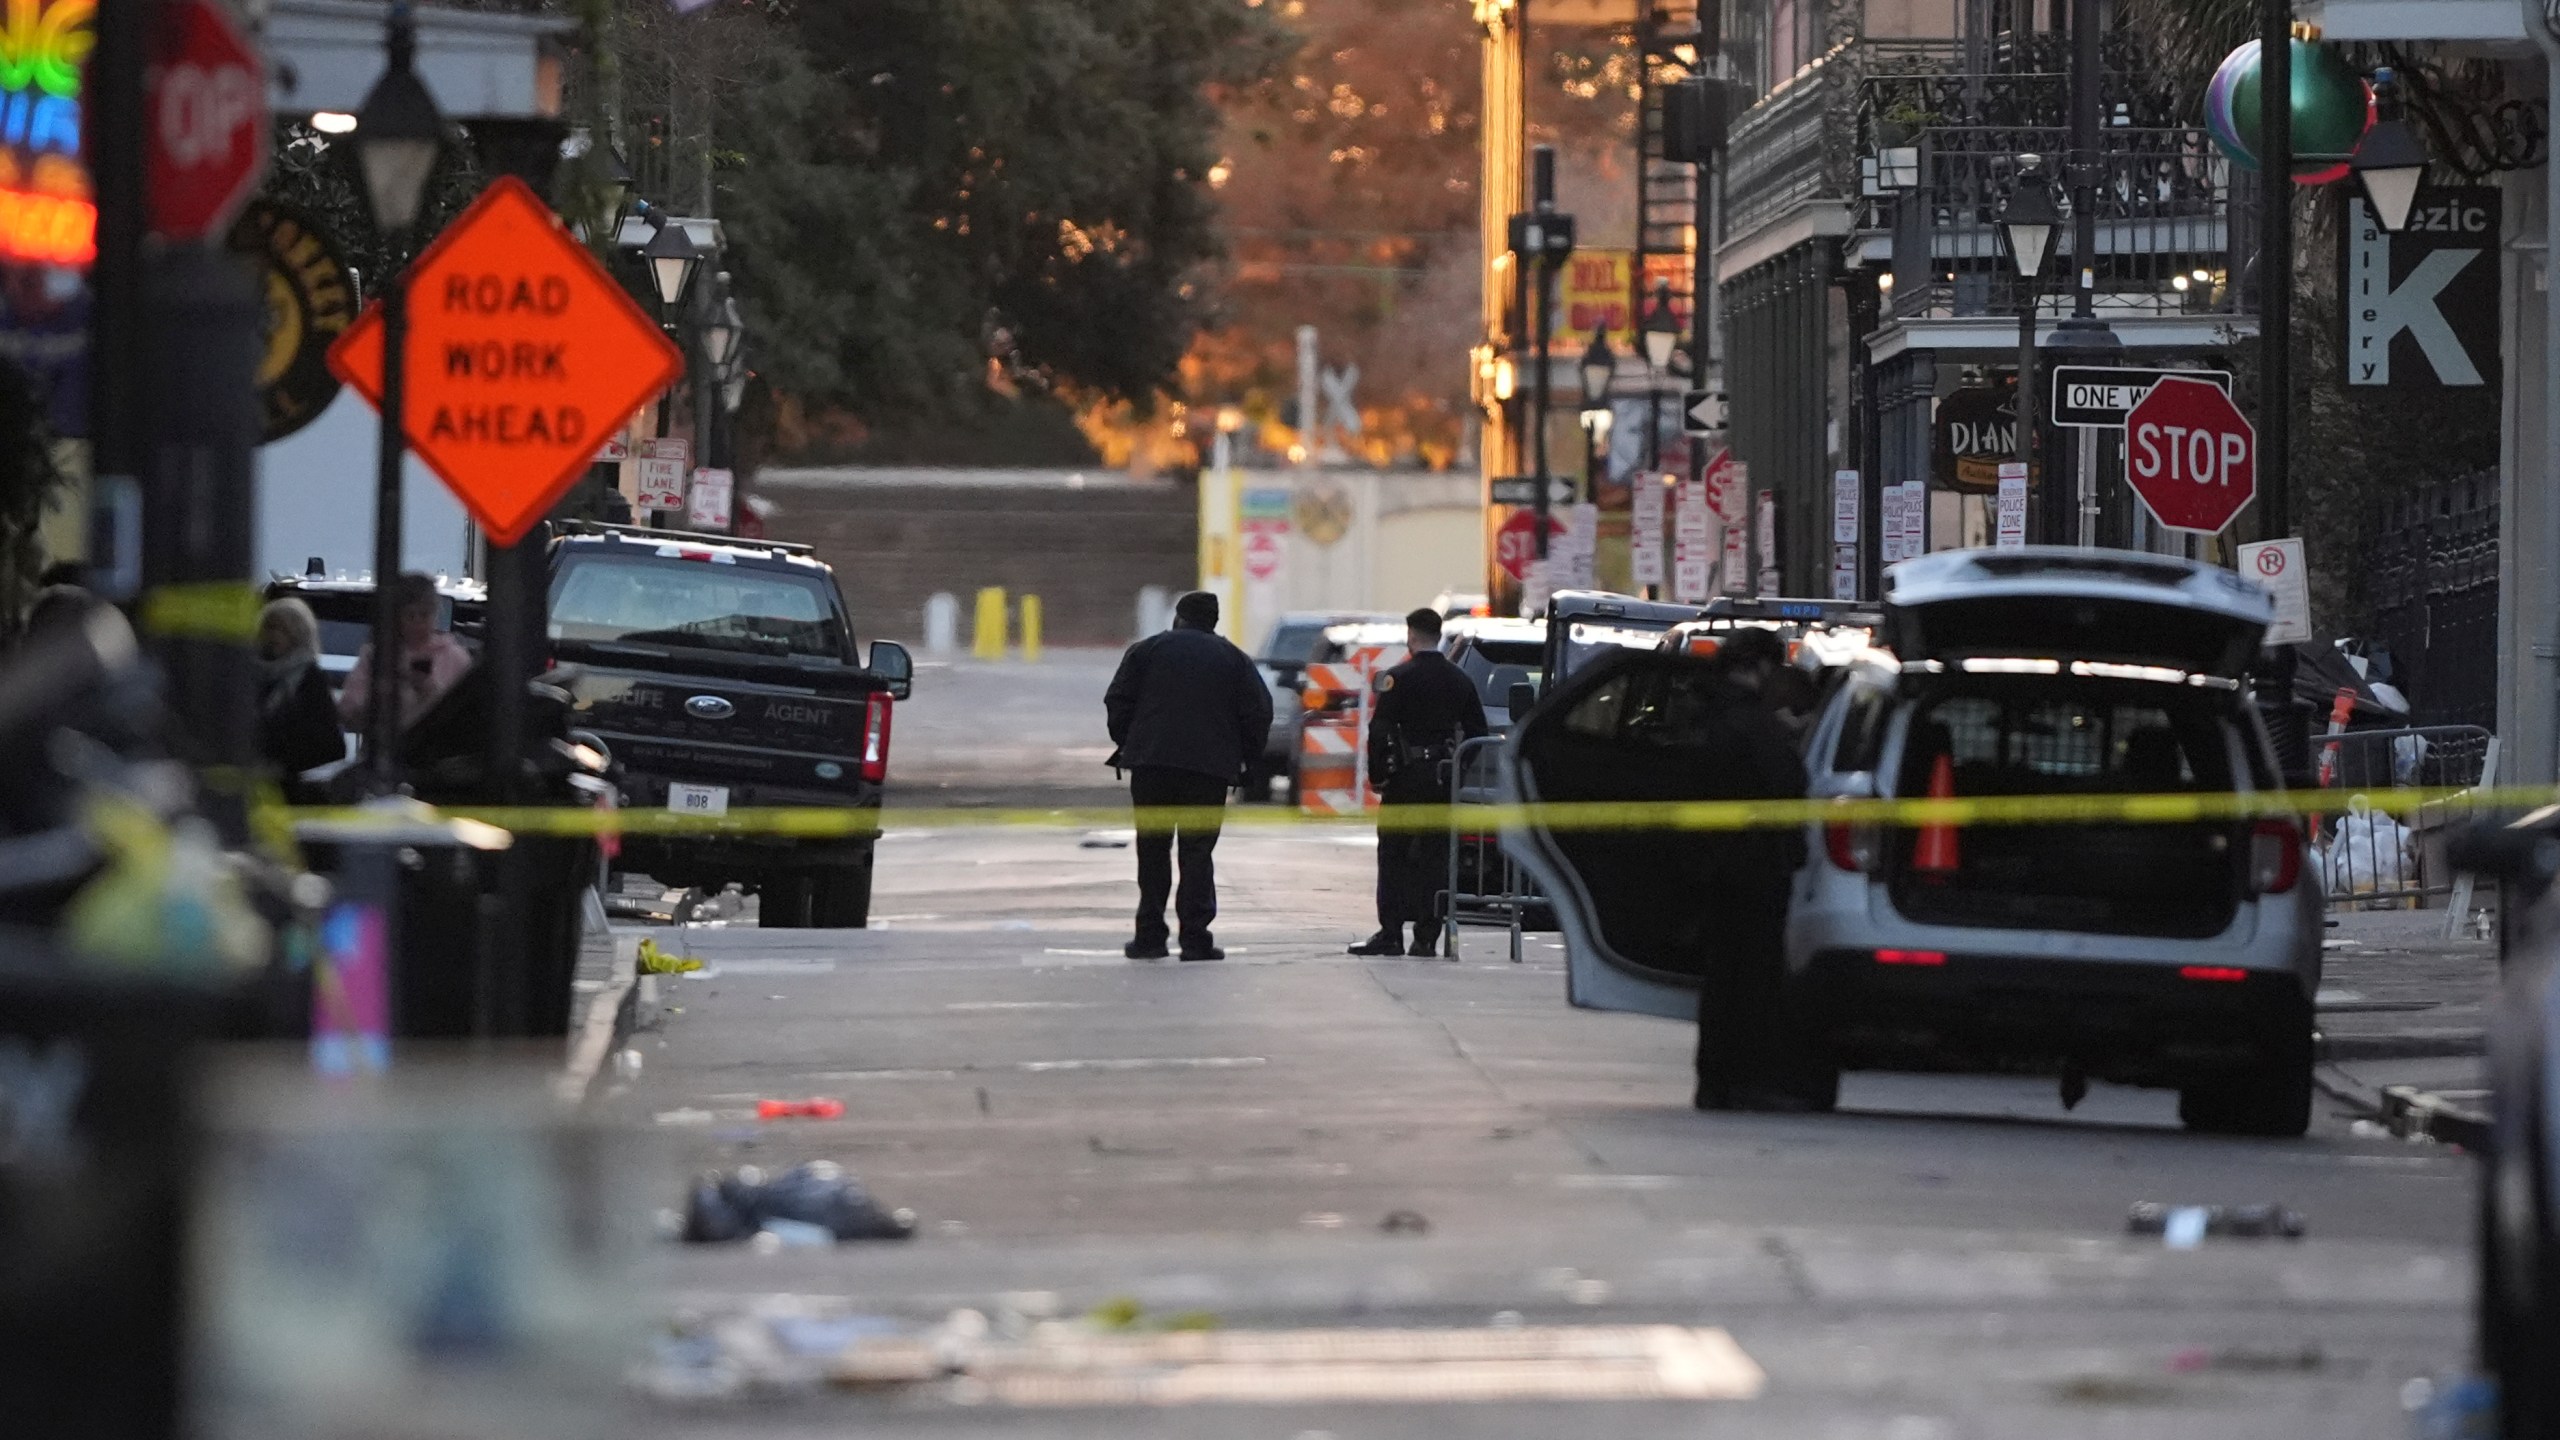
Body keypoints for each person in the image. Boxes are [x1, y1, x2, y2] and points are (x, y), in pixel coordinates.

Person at [1682, 626, 1816, 1111]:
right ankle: (1742, 1079)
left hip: (1713, 865)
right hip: (1753, 867)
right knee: (1753, 977)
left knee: (1722, 979)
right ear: (1761, 667)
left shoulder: (1703, 714)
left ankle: (1715, 1080)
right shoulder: (1752, 723)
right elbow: (1789, 781)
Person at [1103, 590, 1273, 961]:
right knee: (1197, 853)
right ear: (1213, 622)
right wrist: (1244, 758)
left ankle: (1149, 937)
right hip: (1207, 772)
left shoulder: (1146, 651)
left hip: (1152, 767)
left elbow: (1117, 700)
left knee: (1152, 850)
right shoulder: (1233, 659)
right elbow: (1258, 712)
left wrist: (1132, 742)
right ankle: (1195, 939)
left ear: (1178, 617)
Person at [1349, 608, 1487, 957]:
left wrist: (1379, 775)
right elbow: (1478, 734)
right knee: (1434, 857)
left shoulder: (1397, 677)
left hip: (1405, 779)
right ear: (1438, 635)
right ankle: (1426, 937)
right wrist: (1458, 768)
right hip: (1441, 779)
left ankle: (1391, 933)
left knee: (1394, 853)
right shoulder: (1459, 680)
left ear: (1411, 635)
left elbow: (1379, 731)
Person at [338, 572, 473, 735]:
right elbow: (349, 711)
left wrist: (429, 692)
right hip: (385, 751)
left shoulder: (455, 657)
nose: (417, 622)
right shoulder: (376, 656)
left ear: (435, 614)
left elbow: (468, 716)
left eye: (424, 615)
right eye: (410, 615)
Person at [255, 598, 348, 791]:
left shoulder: (309, 680)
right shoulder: (252, 677)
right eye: (269, 628)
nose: (271, 636)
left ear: (297, 635)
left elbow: (329, 746)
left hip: (294, 787)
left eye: (281, 630)